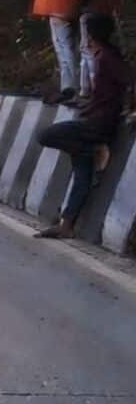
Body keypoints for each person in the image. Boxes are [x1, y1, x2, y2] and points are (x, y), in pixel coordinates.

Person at [34, 13, 131, 239]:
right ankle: (66, 224)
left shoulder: (107, 57)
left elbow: (130, 80)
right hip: (93, 117)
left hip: (99, 123)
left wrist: (130, 108)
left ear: (92, 34)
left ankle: (92, 150)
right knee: (82, 173)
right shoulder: (102, 56)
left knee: (46, 135)